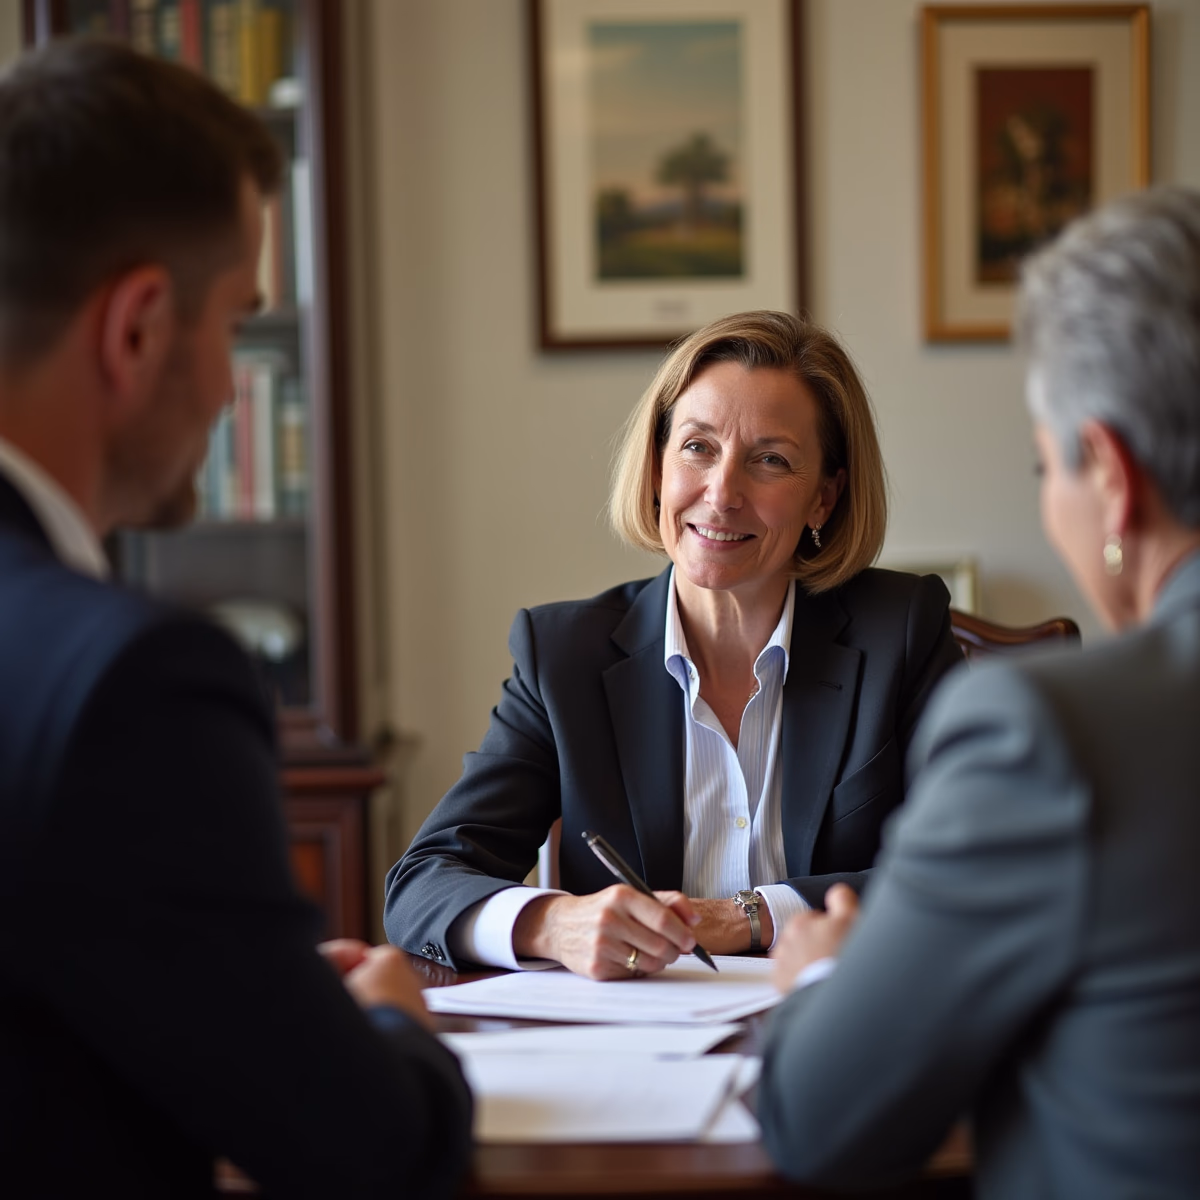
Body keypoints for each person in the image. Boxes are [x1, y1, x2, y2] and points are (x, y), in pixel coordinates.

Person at [0, 40, 470, 1200]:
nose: (227, 388)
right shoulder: (128, 685)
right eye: (236, 324)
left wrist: (236, 984)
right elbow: (370, 1154)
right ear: (141, 328)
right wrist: (386, 1022)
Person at [758, 185, 1200, 1199]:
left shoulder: (1053, 735)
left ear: (1114, 479)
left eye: (1046, 466)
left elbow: (824, 1123)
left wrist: (822, 976)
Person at [386, 310, 963, 980]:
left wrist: (753, 915)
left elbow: (976, 863)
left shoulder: (901, 632)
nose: (722, 494)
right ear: (658, 467)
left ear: (823, 500)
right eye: (697, 447)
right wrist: (554, 922)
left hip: (833, 1027)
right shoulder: (565, 656)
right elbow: (422, 882)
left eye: (770, 460)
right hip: (636, 1050)